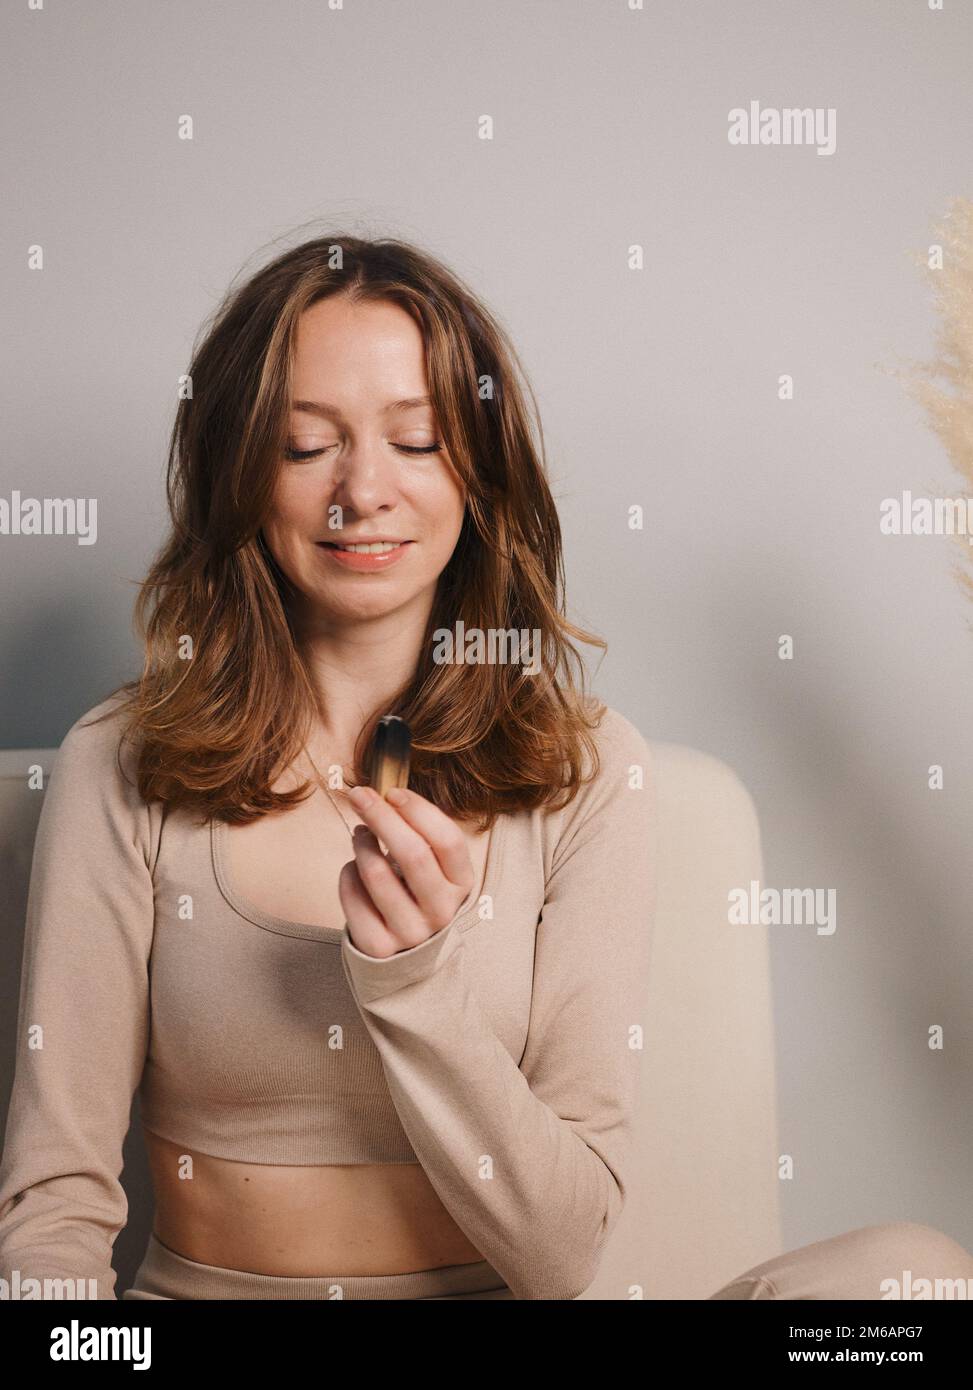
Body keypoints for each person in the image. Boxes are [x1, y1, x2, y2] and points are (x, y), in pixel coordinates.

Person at [1, 234, 971, 1302]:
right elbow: (54, 1212)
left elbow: (559, 1260)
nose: (363, 490)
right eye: (305, 444)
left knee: (911, 1281)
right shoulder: (124, 761)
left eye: (416, 441)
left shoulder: (588, 772)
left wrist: (415, 982)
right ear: (241, 470)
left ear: (477, 470)